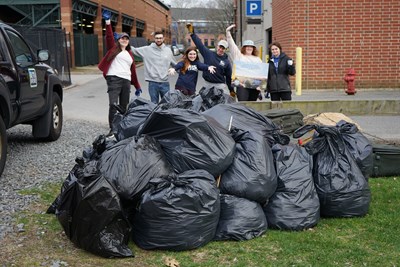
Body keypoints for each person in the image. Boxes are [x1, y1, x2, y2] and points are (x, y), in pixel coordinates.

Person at [98, 10, 142, 137]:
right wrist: (107, 22)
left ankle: (120, 129)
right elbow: (109, 37)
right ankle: (112, 129)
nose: (125, 40)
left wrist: (137, 86)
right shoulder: (113, 48)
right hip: (114, 79)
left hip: (126, 80)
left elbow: (132, 71)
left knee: (124, 106)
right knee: (113, 104)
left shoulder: (129, 54)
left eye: (127, 38)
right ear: (119, 40)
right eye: (122, 38)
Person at [186, 23, 234, 97]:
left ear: (225, 49)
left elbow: (228, 77)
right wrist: (192, 34)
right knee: (205, 104)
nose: (220, 49)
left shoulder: (226, 62)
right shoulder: (208, 54)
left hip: (220, 86)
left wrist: (231, 90)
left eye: (223, 48)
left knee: (219, 105)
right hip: (207, 84)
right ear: (217, 46)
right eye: (220, 47)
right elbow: (199, 44)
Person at [131, 31, 176, 104]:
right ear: (154, 39)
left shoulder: (168, 50)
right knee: (153, 104)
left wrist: (182, 70)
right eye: (157, 38)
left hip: (165, 82)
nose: (159, 40)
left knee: (166, 104)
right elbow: (133, 50)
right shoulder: (147, 49)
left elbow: (175, 64)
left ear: (163, 38)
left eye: (160, 38)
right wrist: (121, 42)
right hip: (153, 83)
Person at [226, 24, 263, 101]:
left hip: (254, 86)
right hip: (242, 86)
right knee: (242, 105)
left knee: (252, 106)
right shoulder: (239, 56)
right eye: (247, 46)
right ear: (244, 48)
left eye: (251, 46)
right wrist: (228, 32)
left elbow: (261, 74)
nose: (249, 48)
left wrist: (260, 86)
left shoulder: (258, 59)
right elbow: (231, 45)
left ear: (253, 48)